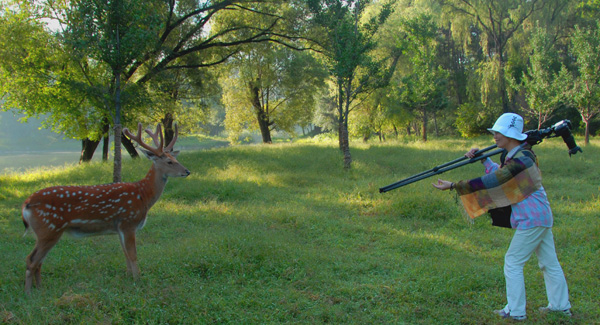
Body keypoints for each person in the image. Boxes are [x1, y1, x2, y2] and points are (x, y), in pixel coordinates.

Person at [432, 113, 571, 321]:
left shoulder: (522, 159)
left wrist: (455, 185)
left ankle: (516, 312)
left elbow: (498, 178)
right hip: (539, 216)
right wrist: (484, 159)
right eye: (495, 132)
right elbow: (503, 172)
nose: (495, 136)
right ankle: (560, 307)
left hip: (532, 219)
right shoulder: (517, 155)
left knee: (513, 262)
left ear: (510, 135)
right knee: (549, 263)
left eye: (499, 132)